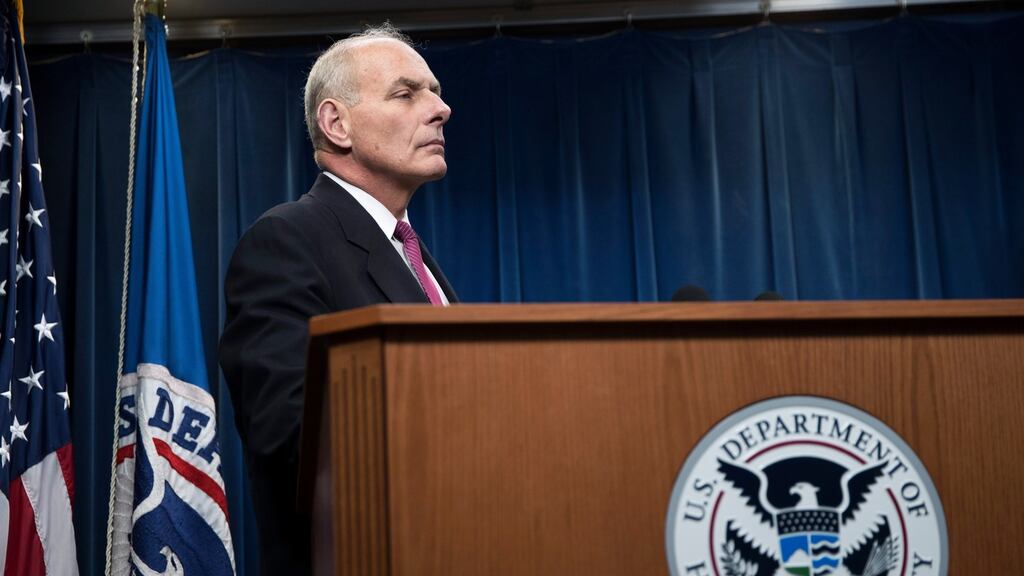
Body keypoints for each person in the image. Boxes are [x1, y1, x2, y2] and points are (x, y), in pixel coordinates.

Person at [218, 24, 458, 574]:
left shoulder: (411, 254)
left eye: (436, 91)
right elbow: (291, 436)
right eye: (406, 93)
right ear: (336, 124)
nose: (440, 108)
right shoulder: (286, 241)